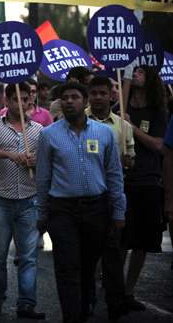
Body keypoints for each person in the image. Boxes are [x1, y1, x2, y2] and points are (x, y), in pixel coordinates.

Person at [36, 82, 127, 323]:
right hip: (62, 211)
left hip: (97, 209)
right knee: (67, 267)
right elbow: (43, 177)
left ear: (85, 102)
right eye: (65, 98)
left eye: (75, 97)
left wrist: (119, 211)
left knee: (87, 267)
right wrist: (42, 213)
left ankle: (84, 305)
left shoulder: (104, 133)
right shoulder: (48, 135)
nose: (69, 101)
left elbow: (115, 175)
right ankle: (72, 317)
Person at [0, 82, 45, 319]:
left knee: (28, 256)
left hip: (30, 199)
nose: (22, 103)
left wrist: (37, 162)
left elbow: (49, 161)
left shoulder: (38, 130)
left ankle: (26, 304)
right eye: (17, 99)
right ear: (7, 101)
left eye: (26, 99)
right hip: (0, 199)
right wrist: (9, 155)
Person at [117, 65, 168, 310]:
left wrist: (131, 127)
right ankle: (114, 290)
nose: (135, 75)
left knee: (142, 243)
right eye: (133, 72)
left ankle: (128, 292)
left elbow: (159, 146)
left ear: (150, 81)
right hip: (122, 183)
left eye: (140, 72)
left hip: (148, 182)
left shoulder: (158, 111)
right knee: (121, 239)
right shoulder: (119, 110)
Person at [85, 76, 133, 318]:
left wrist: (128, 161)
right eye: (93, 93)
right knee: (86, 257)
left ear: (111, 95)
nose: (98, 97)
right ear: (88, 95)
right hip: (85, 200)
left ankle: (115, 300)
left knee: (112, 254)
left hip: (110, 197)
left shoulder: (122, 124)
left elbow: (126, 164)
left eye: (103, 93)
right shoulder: (77, 122)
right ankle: (87, 300)